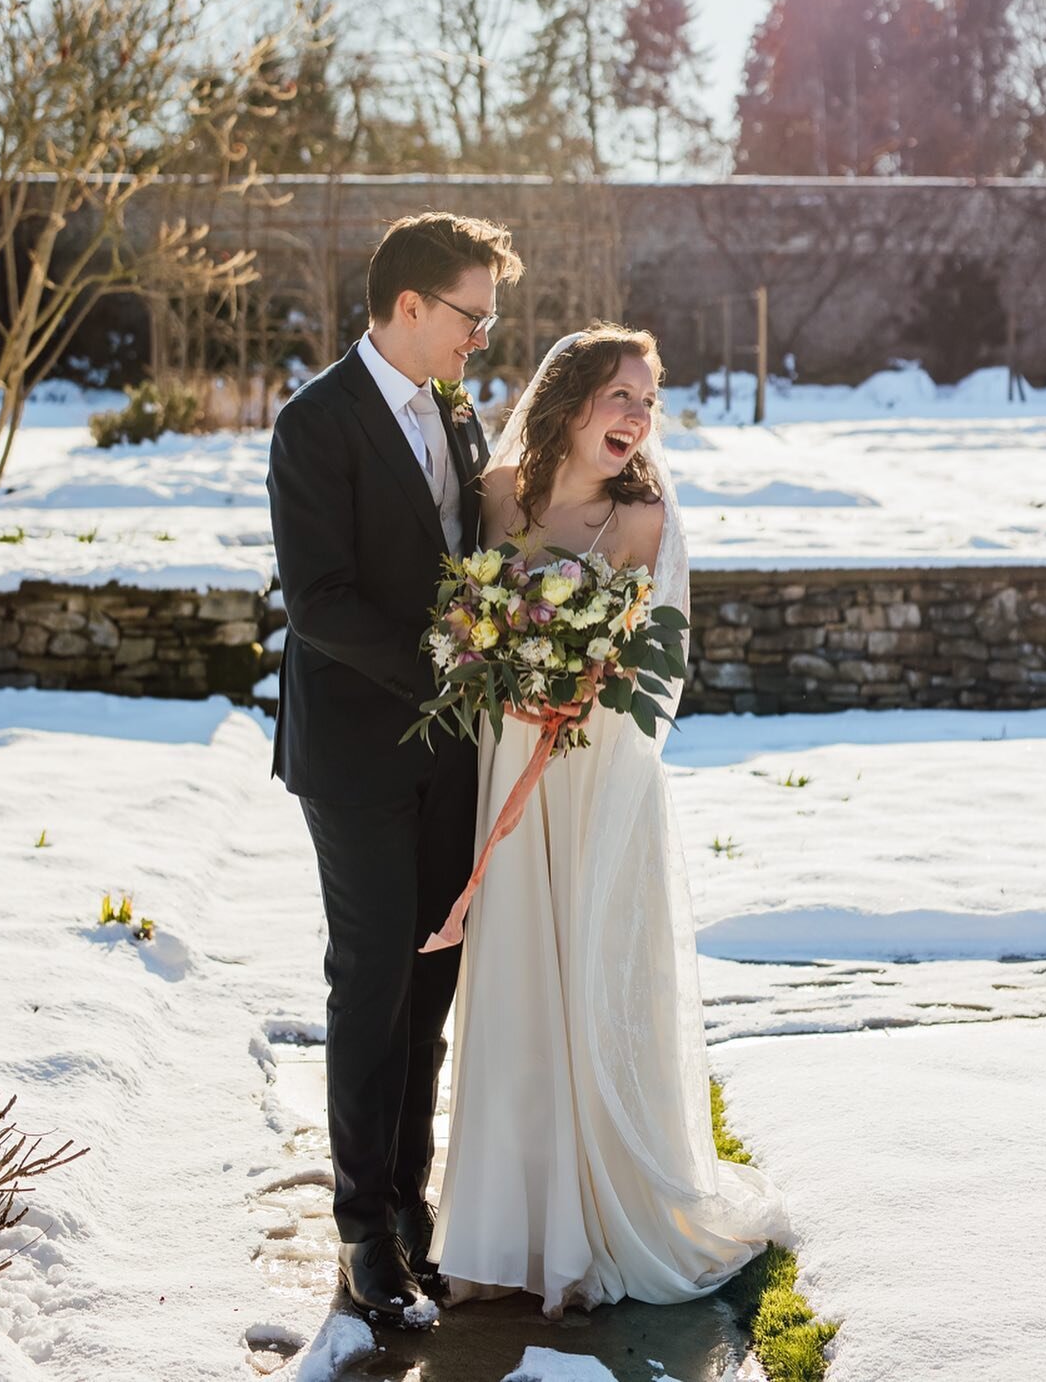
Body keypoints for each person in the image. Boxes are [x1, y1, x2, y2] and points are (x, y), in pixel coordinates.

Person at [429, 325, 789, 1317]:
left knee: (588, 981)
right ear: (569, 399)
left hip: (599, 775)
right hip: (512, 759)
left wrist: (585, 689)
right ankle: (500, 1233)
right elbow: (467, 623)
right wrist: (500, 667)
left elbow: (655, 663)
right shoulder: (498, 498)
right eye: (619, 393)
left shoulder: (645, 518)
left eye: (648, 399)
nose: (636, 415)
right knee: (512, 985)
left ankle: (589, 1231)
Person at [266, 211, 524, 1323]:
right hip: (359, 753)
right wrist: (452, 668)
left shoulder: (459, 415)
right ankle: (364, 1225)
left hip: (453, 751)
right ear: (409, 306)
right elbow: (319, 601)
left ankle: (415, 1206)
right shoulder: (313, 423)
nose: (483, 337)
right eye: (474, 314)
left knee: (431, 980)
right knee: (371, 980)